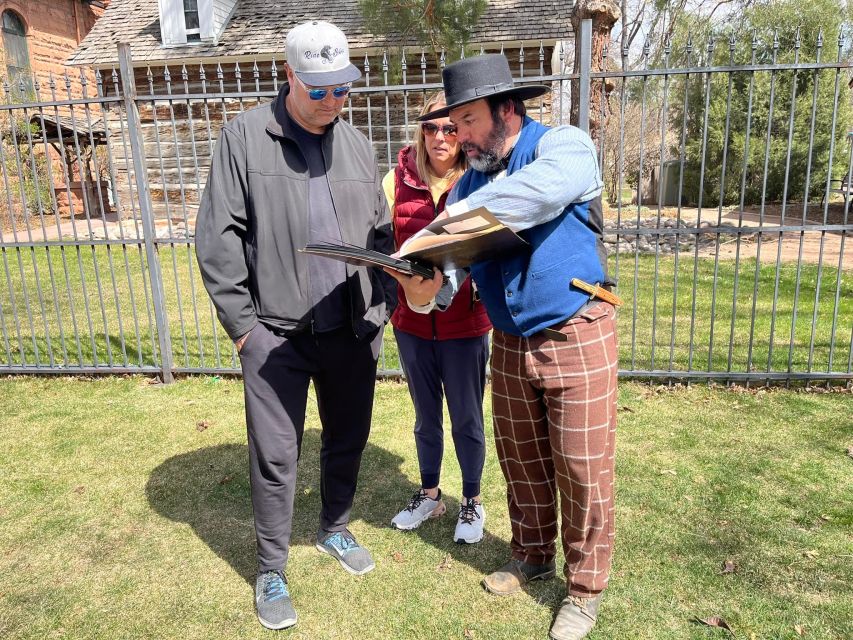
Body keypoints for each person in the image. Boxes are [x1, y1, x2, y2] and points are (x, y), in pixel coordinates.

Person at [387, 54, 618, 640]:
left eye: (465, 121)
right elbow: (457, 271)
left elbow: (532, 198)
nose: (457, 136)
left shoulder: (562, 147)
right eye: (451, 125)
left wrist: (444, 226)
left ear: (506, 108)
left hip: (577, 329)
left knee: (582, 469)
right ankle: (532, 555)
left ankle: (585, 591)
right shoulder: (470, 181)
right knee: (522, 461)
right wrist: (426, 286)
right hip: (510, 343)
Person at [195, 20, 395, 631]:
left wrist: (381, 303)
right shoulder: (243, 138)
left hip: (351, 332)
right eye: (319, 90)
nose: (332, 102)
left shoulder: (357, 144)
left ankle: (334, 527)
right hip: (274, 337)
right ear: (289, 76)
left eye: (343, 89)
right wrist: (243, 330)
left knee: (349, 438)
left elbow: (380, 234)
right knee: (277, 456)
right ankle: (272, 566)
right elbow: (217, 238)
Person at [382, 92, 492, 544]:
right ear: (420, 131)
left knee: (466, 417)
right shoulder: (395, 180)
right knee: (425, 416)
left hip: (465, 324)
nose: (441, 137)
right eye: (431, 127)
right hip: (412, 323)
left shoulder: (481, 180)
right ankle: (430, 494)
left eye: (450, 128)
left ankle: (471, 501)